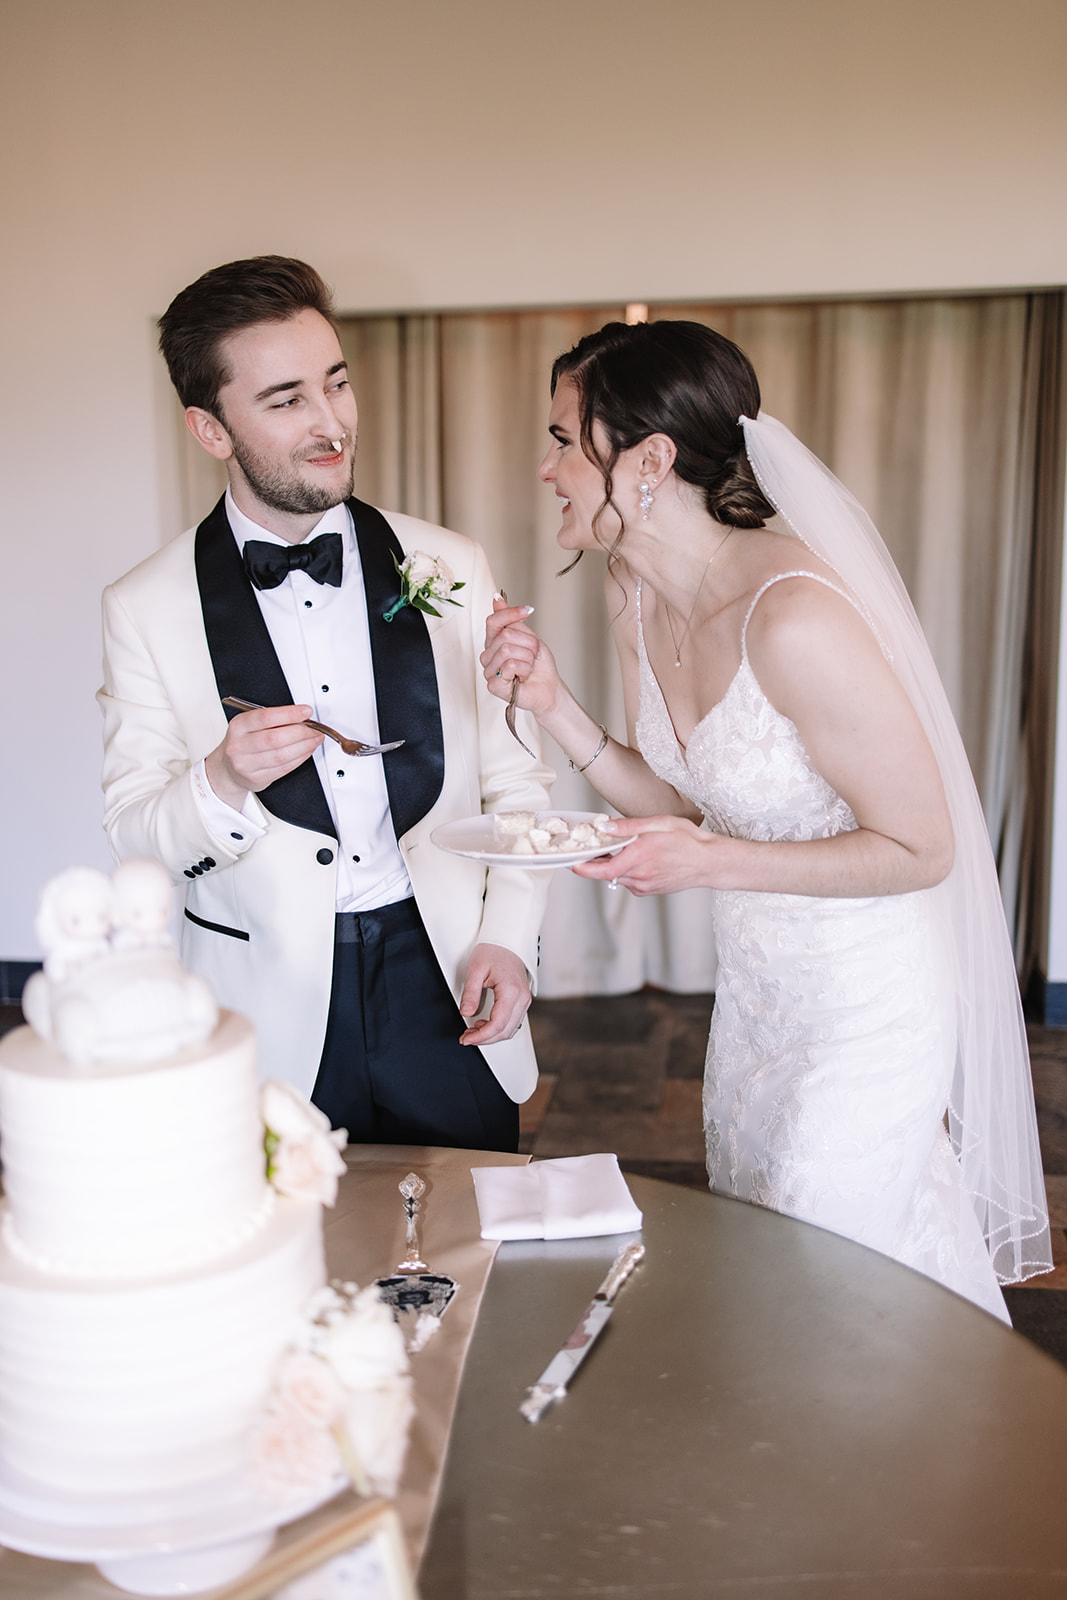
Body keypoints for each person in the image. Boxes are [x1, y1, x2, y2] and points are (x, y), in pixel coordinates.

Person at [483, 319, 1051, 1318]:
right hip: (757, 1007)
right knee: (784, 1257)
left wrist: (706, 864)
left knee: (815, 1266)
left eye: (566, 440)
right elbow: (688, 803)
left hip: (868, 1008)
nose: (547, 467)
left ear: (649, 459)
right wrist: (553, 706)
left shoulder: (792, 618)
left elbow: (920, 848)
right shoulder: (635, 590)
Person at [99, 255, 554, 1152]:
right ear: (210, 429)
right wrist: (224, 779)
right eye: (285, 400)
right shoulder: (142, 606)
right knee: (293, 1266)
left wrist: (508, 938)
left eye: (336, 384)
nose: (331, 423)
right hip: (267, 1000)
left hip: (448, 971)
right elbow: (132, 834)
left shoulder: (448, 564)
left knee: (472, 1258)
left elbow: (518, 790)